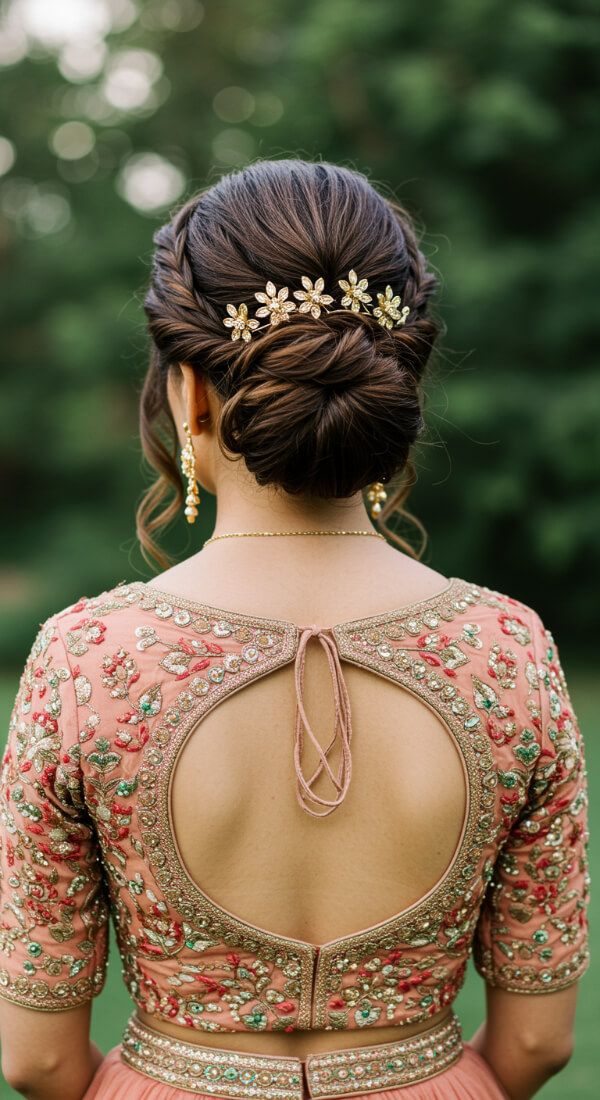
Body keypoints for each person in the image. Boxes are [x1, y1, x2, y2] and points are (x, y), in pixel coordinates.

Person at [0, 160, 589, 1100]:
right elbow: (538, 1045)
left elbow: (33, 1058)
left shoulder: (87, 661)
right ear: (396, 392)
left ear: (190, 394)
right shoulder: (507, 650)